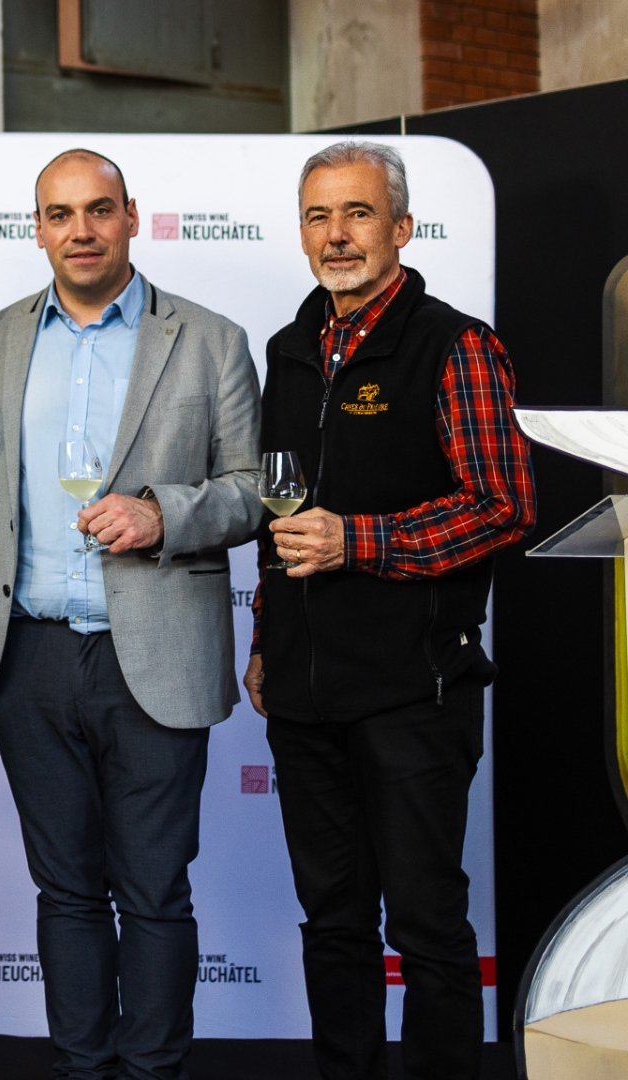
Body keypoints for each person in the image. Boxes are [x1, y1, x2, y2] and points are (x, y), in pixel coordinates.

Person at [0, 148, 262, 1080]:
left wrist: (165, 514)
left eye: (97, 210)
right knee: (67, 891)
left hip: (157, 653)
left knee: (155, 892)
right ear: (37, 229)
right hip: (26, 657)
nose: (79, 231)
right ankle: (83, 1068)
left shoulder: (210, 339)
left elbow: (254, 490)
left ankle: (153, 1071)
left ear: (131, 217)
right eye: (59, 214)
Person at [245, 140, 534, 1080]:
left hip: (415, 691)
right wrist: (266, 640)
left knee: (426, 925)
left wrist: (358, 541)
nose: (338, 235)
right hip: (303, 695)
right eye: (319, 216)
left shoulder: (456, 346)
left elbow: (502, 506)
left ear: (402, 227)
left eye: (359, 213)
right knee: (333, 922)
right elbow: (278, 518)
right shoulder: (288, 350)